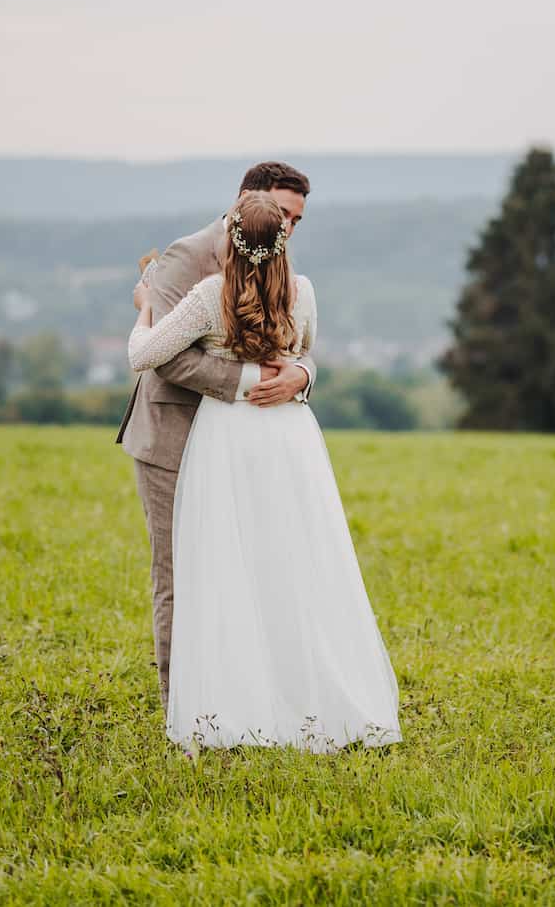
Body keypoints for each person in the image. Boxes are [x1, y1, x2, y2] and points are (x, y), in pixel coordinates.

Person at [127, 190, 401, 753]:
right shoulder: (303, 293)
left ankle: (228, 706)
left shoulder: (209, 295)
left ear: (231, 236)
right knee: (293, 560)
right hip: (286, 437)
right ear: (282, 241)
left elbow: (144, 355)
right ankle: (304, 701)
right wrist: (284, 370)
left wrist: (145, 309)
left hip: (227, 433)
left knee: (220, 563)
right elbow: (302, 346)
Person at [116, 163, 315, 710]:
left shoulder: (279, 262)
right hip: (173, 438)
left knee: (247, 568)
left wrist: (301, 376)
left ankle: (244, 697)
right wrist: (250, 382)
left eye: (296, 220)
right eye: (281, 214)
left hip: (246, 444)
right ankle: (179, 706)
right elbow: (164, 357)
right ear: (244, 201)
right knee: (179, 576)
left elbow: (297, 343)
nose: (288, 229)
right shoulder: (186, 257)